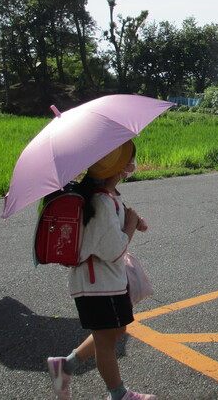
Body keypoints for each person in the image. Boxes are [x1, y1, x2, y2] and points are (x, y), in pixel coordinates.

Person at [46, 140, 156, 400]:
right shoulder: (101, 201)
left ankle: (67, 365)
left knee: (117, 331)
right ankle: (118, 394)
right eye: (130, 157)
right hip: (98, 285)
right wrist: (129, 225)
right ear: (119, 166)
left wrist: (132, 221)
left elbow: (103, 234)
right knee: (106, 341)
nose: (133, 163)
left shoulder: (108, 197)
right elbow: (114, 251)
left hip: (106, 282)